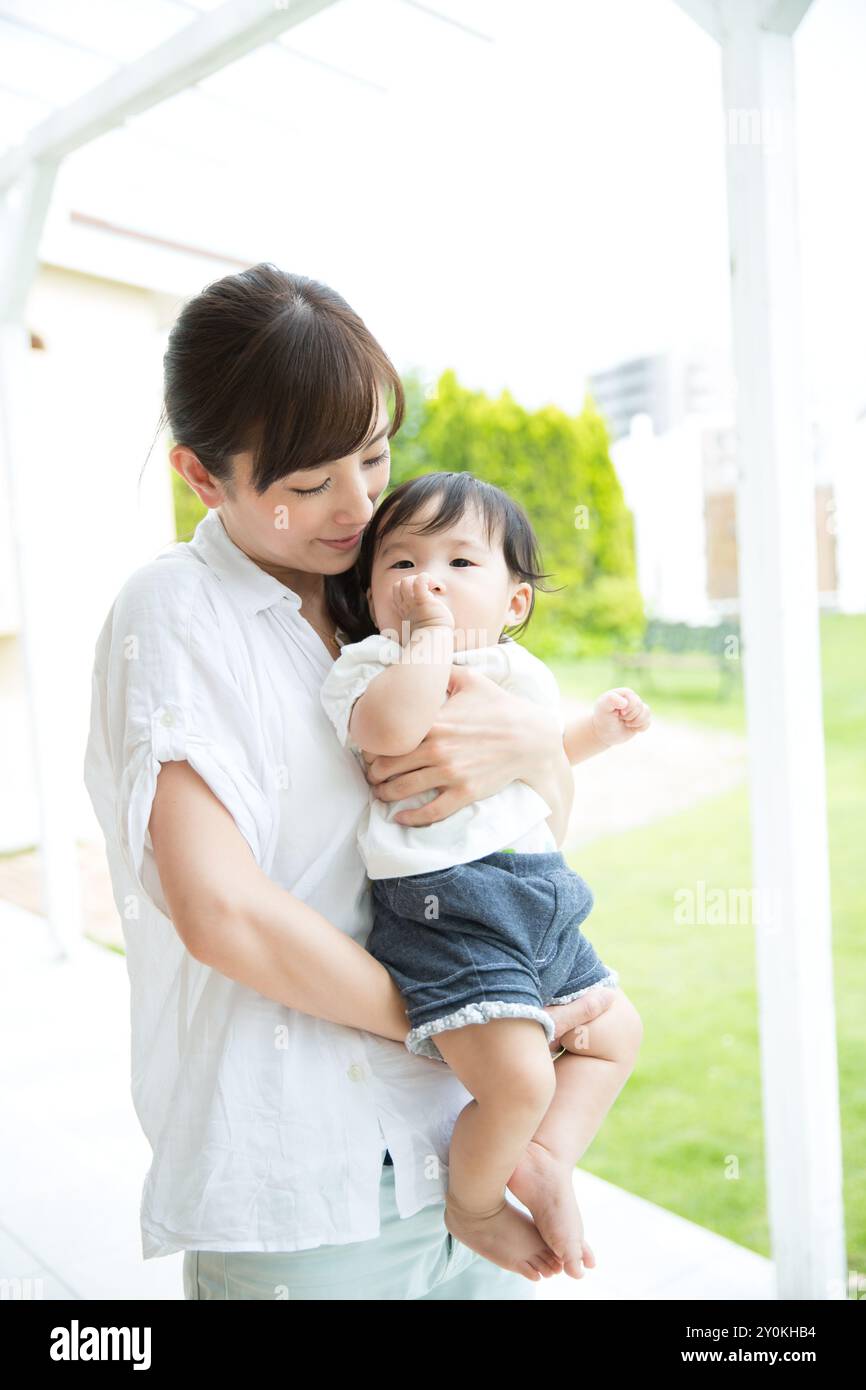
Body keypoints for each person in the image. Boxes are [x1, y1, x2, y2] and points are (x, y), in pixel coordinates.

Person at [84, 262, 622, 1301]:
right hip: (312, 1188)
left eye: (371, 458)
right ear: (203, 476)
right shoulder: (175, 613)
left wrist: (530, 753)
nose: (357, 507)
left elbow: (528, 817)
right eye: (304, 485)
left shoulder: (385, 593)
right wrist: (465, 1015)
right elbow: (222, 913)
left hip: (459, 1148)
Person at [319, 471, 647, 1282]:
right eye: (401, 563)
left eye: (461, 564)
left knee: (614, 1034)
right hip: (446, 906)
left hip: (539, 893)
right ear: (369, 591)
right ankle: (470, 1202)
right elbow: (391, 732)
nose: (426, 579)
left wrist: (592, 736)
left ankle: (543, 1157)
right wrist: (427, 640)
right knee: (519, 1075)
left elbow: (540, 760)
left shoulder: (520, 672)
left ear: (515, 603)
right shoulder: (370, 666)